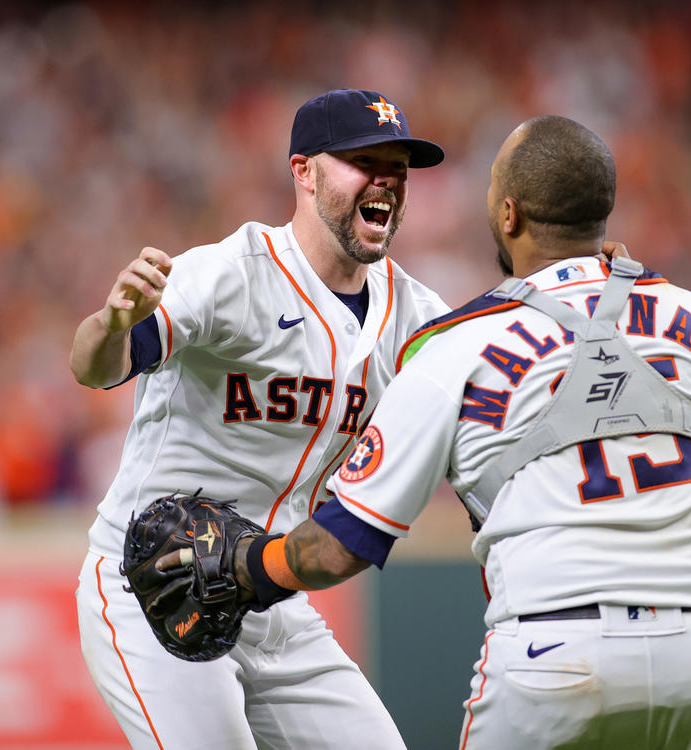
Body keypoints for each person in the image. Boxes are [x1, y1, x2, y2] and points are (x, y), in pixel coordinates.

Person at [227, 116, 691, 750]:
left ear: (508, 213)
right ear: (603, 213)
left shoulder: (455, 345)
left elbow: (336, 547)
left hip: (559, 654)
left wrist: (245, 565)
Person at [70, 88, 452, 750]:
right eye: (364, 161)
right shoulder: (232, 273)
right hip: (154, 584)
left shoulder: (417, 315)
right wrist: (112, 321)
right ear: (303, 171)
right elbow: (95, 365)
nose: (386, 178)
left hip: (272, 599)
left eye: (398, 165)